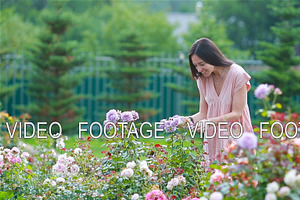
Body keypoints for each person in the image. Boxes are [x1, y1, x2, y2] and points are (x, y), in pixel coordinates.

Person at [187, 38, 253, 164]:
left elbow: (237, 113)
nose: (199, 69)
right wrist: (186, 121)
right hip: (214, 138)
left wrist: (210, 122)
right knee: (212, 178)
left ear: (212, 57)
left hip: (235, 134)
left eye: (201, 64)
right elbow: (203, 113)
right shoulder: (202, 80)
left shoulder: (238, 74)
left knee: (236, 177)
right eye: (195, 66)